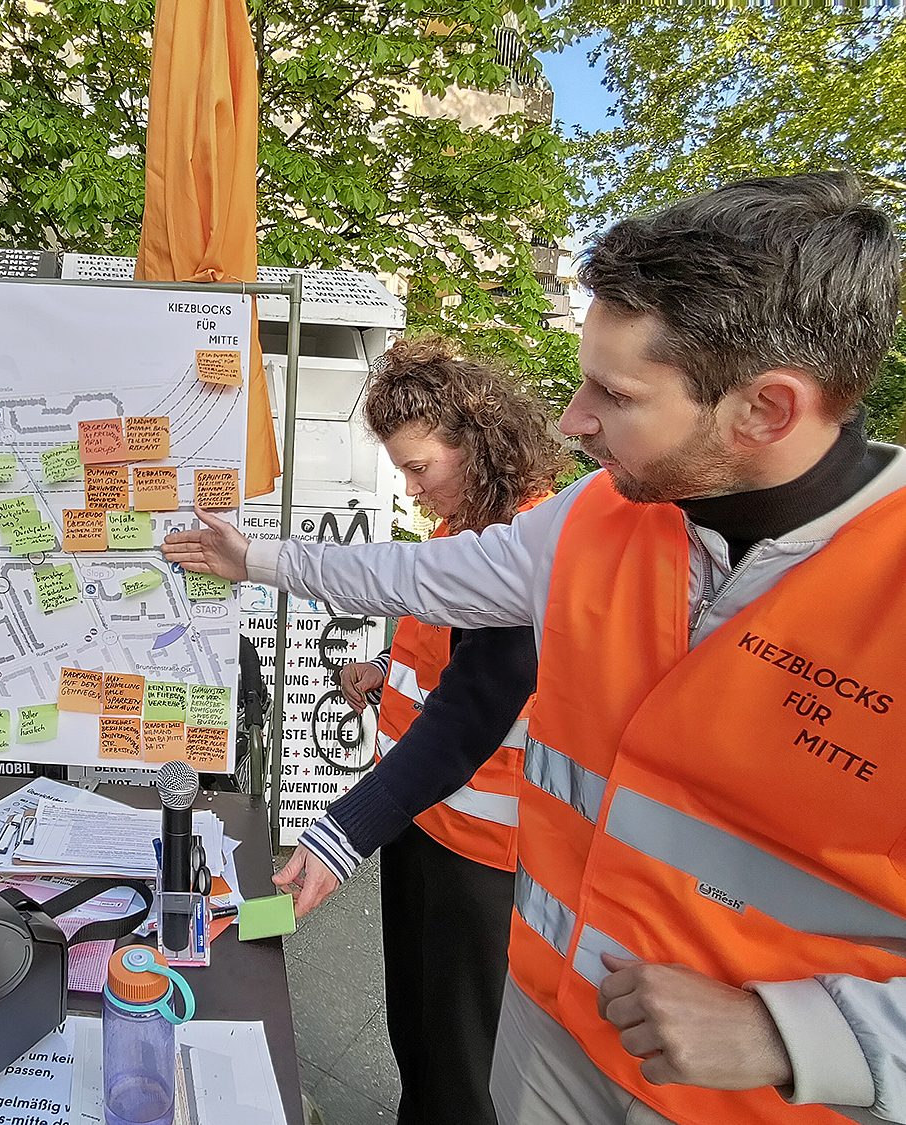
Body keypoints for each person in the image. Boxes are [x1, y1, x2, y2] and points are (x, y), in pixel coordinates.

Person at [165, 172, 906, 1124]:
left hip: (760, 1096)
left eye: (617, 391)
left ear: (765, 408)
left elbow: (475, 700)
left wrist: (794, 1034)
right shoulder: (597, 516)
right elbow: (420, 584)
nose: (573, 418)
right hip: (550, 1030)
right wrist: (252, 555)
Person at [270, 336, 562, 1124]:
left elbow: (477, 704)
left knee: (461, 1058)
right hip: (423, 824)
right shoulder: (462, 528)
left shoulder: (530, 544)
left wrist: (342, 833)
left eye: (418, 467)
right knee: (419, 1034)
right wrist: (383, 666)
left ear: (479, 442)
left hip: (484, 853)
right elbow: (445, 657)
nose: (410, 487)